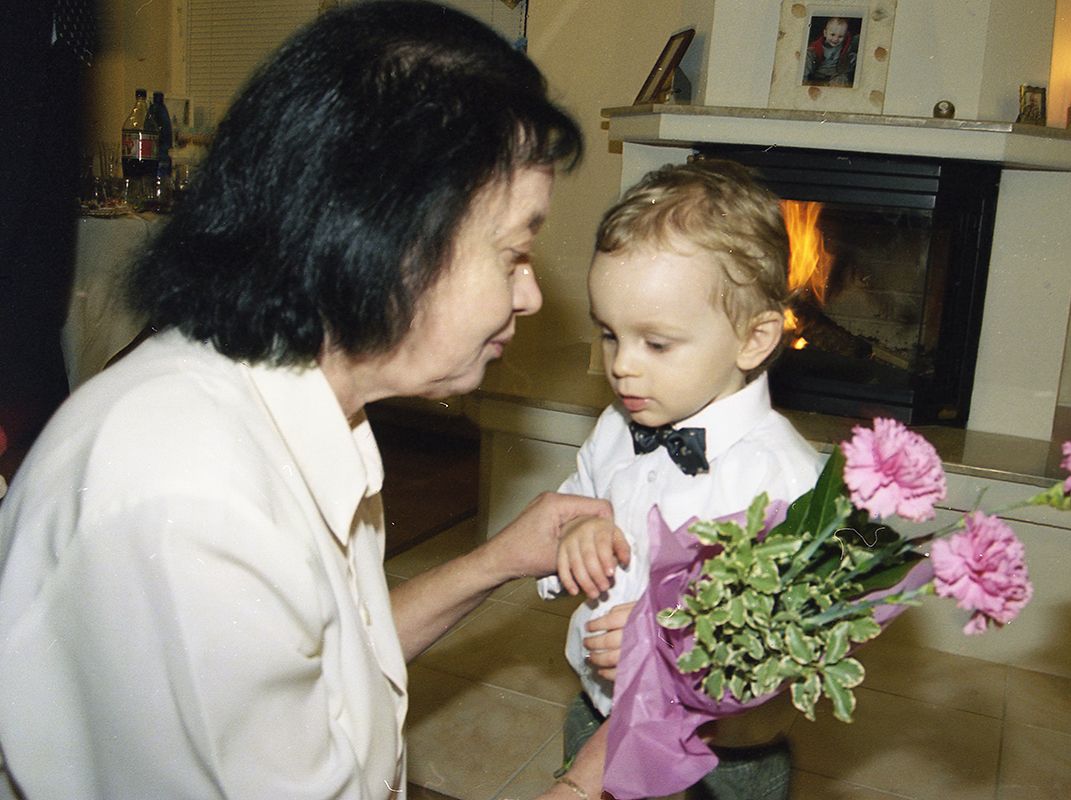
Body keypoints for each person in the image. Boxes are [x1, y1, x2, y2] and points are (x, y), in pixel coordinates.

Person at [0, 3, 621, 798]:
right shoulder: (191, 503)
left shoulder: (300, 401)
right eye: (514, 252)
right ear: (393, 237)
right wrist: (589, 779)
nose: (530, 293)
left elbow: (335, 669)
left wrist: (496, 562)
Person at [536, 160, 822, 800]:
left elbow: (797, 628)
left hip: (723, 756)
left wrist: (675, 635)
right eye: (610, 335)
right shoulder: (616, 427)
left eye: (657, 344)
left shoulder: (784, 476)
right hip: (598, 709)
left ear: (754, 339)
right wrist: (578, 531)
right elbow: (576, 503)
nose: (622, 368)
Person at [803, 16, 859, 86]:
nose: (835, 39)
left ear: (845, 36)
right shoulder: (817, 47)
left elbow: (851, 50)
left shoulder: (845, 45)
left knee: (842, 80)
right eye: (832, 35)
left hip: (836, 74)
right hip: (818, 75)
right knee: (807, 56)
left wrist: (853, 56)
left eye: (840, 36)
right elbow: (811, 57)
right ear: (825, 33)